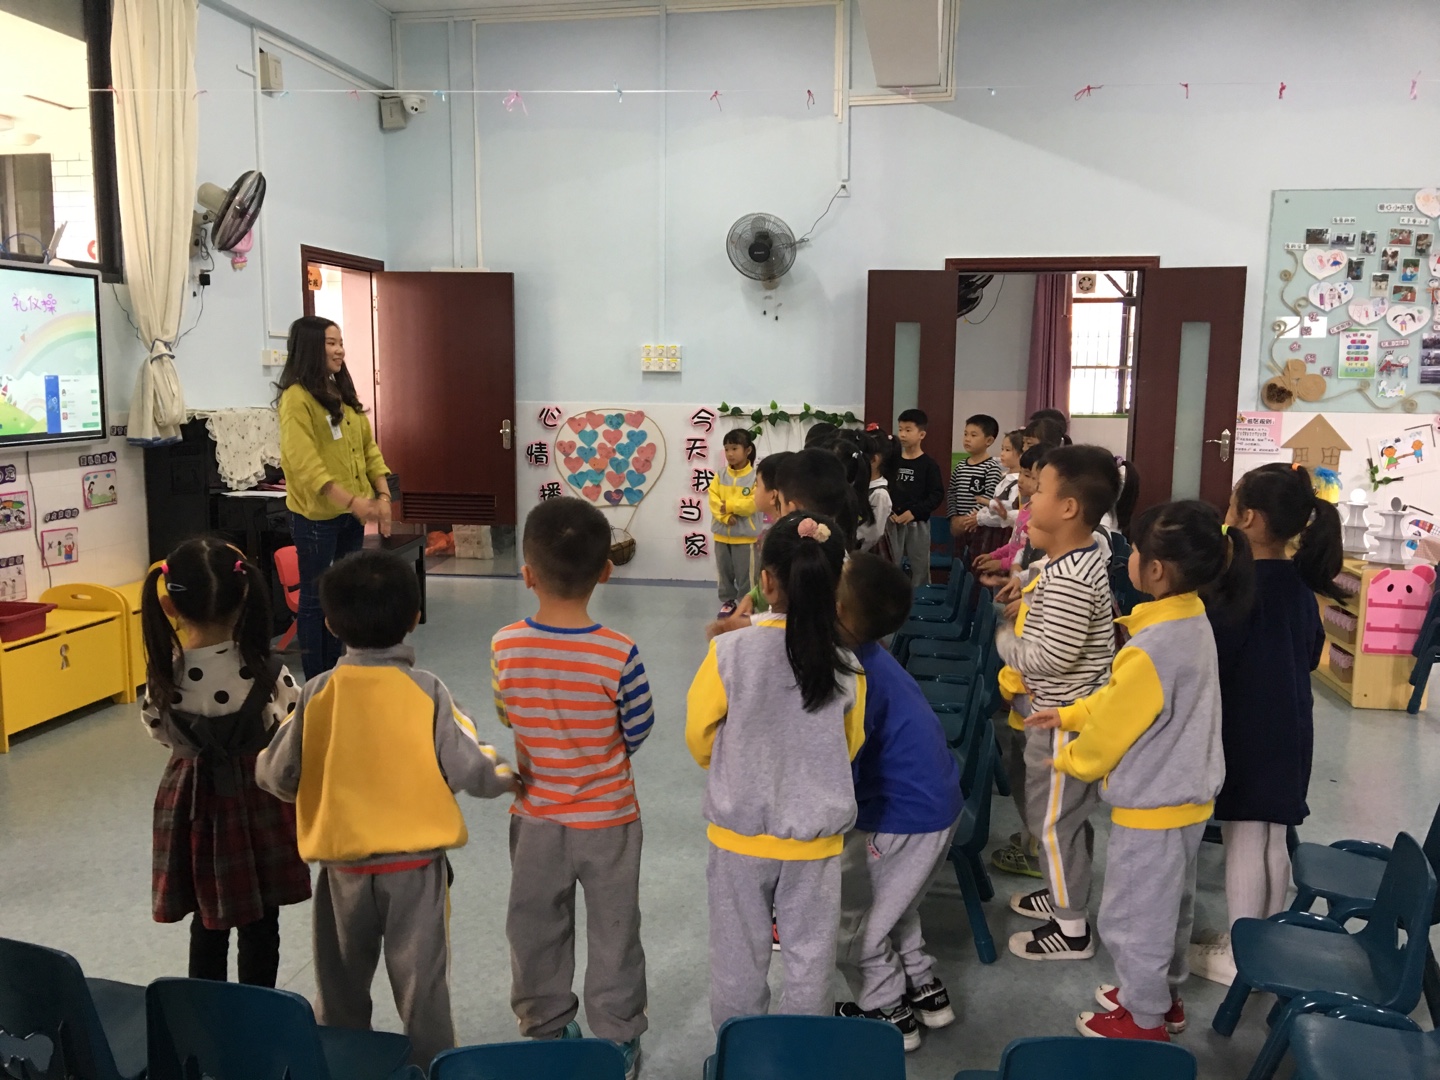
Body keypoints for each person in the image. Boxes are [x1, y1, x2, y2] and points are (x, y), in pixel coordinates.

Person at [257, 550, 515, 1067]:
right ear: (415, 617)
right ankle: (430, 1068)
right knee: (423, 990)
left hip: (342, 871)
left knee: (340, 987)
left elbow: (275, 773)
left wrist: (312, 794)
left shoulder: (317, 692)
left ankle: (344, 1066)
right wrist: (508, 777)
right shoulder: (429, 691)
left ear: (330, 624)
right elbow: (470, 766)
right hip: (415, 871)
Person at [1027, 500, 1253, 1040]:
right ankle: (1161, 996)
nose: (1124, 558)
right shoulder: (1190, 620)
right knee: (1169, 908)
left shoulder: (1153, 647)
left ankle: (1143, 1018)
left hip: (1152, 806)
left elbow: (1111, 732)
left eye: (1132, 551)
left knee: (1133, 918)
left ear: (1154, 570)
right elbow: (1122, 701)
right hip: (1187, 799)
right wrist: (1072, 713)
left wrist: (1069, 756)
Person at [491, 498, 654, 1079]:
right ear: (606, 571)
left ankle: (546, 1026)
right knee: (616, 931)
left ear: (527, 574)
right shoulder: (619, 652)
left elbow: (507, 714)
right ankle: (618, 1037)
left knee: (534, 925)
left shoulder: (505, 644)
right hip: (609, 819)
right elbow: (638, 726)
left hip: (535, 817)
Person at [687, 511, 866, 1031]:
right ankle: (802, 1052)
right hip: (816, 843)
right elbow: (850, 744)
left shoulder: (728, 651)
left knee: (737, 956)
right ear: (836, 586)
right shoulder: (847, 665)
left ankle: (739, 1051)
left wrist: (735, 765)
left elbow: (699, 736)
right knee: (811, 958)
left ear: (766, 582)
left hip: (738, 837)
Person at [1188, 463, 1343, 986]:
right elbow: (1313, 652)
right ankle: (1262, 944)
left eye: (1233, 502)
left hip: (1250, 732)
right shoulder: (1297, 583)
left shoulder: (1242, 586)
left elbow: (1215, 657)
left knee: (1245, 840)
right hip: (1291, 727)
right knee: (1272, 837)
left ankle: (1241, 959)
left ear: (1249, 517)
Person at [142, 539, 310, 987]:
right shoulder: (268, 671)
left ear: (169, 606)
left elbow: (159, 731)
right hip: (258, 799)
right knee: (263, 919)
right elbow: (290, 728)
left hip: (193, 802)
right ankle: (258, 1004)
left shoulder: (164, 674)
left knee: (207, 916)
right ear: (245, 598)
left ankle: (207, 1006)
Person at [996, 445, 1122, 961]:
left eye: (1041, 490)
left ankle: (1071, 928)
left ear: (1069, 507)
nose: (1030, 499)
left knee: (1053, 821)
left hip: (1063, 722)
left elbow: (1051, 656)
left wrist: (1004, 638)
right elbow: (1047, 575)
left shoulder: (1070, 577)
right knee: (1062, 816)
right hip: (1058, 713)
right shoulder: (1073, 556)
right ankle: (1060, 890)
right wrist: (1024, 583)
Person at [833, 553, 961, 1050]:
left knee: (855, 923)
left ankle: (886, 1011)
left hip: (902, 817)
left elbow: (845, 764)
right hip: (933, 805)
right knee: (894, 903)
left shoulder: (852, 674)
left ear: (839, 611)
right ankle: (923, 988)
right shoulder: (874, 654)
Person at [276, 315, 392, 680]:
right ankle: (318, 680)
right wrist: (352, 501)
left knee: (344, 595)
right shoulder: (296, 399)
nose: (340, 350)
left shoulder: (340, 390)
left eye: (340, 342)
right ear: (311, 347)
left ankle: (340, 670)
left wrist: (383, 494)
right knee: (315, 600)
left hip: (348, 517)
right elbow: (306, 464)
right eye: (331, 343)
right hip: (315, 518)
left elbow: (368, 448)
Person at [887, 410, 945, 587]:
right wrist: (889, 511)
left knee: (919, 568)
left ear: (922, 434)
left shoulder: (929, 465)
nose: (903, 434)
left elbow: (936, 495)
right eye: (900, 429)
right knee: (891, 565)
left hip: (917, 523)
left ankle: (920, 597)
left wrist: (914, 512)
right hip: (893, 522)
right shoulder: (892, 462)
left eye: (908, 430)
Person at [710, 428, 761, 618]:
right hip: (721, 534)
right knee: (724, 572)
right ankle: (728, 601)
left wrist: (730, 506)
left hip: (745, 537)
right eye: (726, 449)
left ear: (748, 450)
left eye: (734, 448)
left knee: (747, 574)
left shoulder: (755, 477)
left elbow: (753, 504)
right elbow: (713, 500)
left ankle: (747, 604)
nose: (730, 454)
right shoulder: (720, 475)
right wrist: (724, 517)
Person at [948, 414, 1004, 561]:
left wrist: (970, 519)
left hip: (978, 526)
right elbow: (952, 492)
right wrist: (954, 517)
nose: (967, 439)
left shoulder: (991, 468)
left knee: (974, 563)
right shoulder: (960, 466)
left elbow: (989, 497)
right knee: (957, 562)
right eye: (965, 434)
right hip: (958, 526)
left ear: (989, 441)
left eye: (973, 435)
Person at [855, 429, 898, 557]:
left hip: (869, 555)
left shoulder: (880, 494)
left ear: (874, 459)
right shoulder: (862, 484)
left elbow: (872, 534)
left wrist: (852, 551)